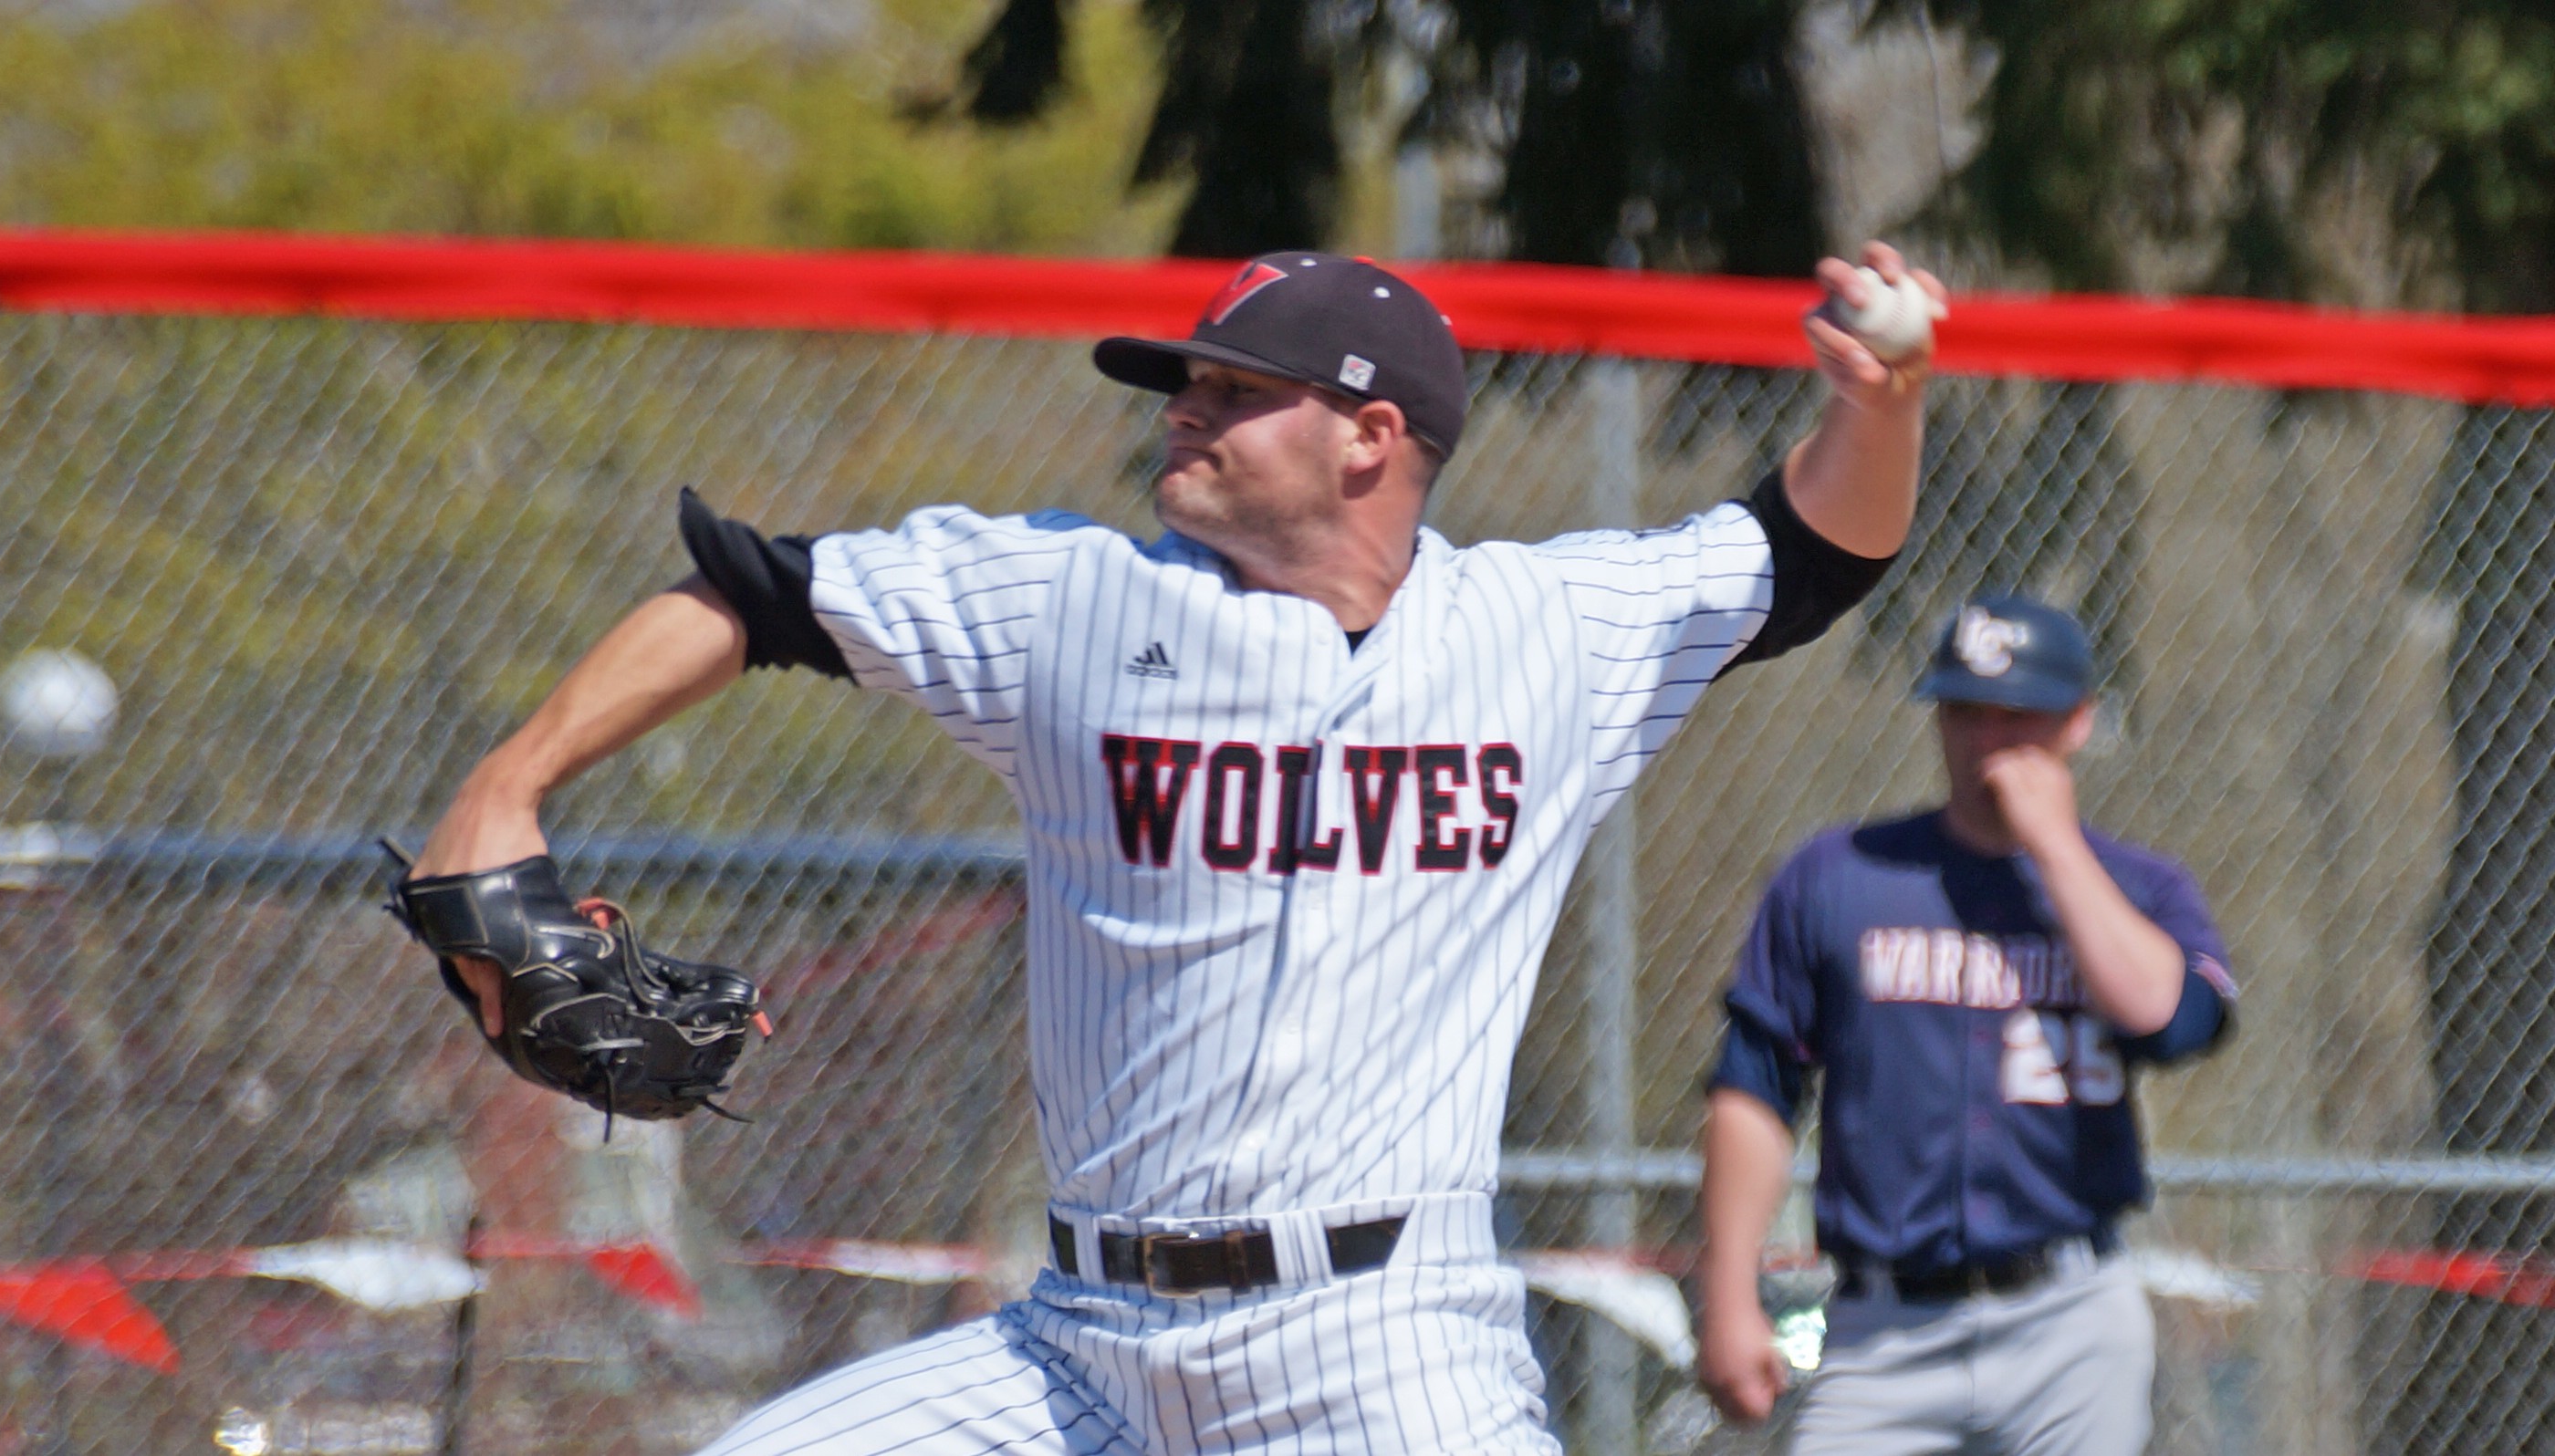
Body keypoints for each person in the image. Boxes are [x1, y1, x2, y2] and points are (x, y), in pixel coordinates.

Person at [404, 243, 1945, 1453]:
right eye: (1188, 381)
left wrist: (1877, 407)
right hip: (1078, 1349)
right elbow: (753, 593)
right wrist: (511, 778)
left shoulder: (1544, 633)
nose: (1185, 409)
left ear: (1371, 437)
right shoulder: (1069, 604)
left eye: (1234, 388)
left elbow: (1808, 553)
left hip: (1382, 1347)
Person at [1686, 593, 2242, 1455]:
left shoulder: (2139, 889)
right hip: (1882, 1329)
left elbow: (2171, 1023)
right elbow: (1755, 1088)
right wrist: (1727, 1296)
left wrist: (2055, 848)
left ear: (2079, 722)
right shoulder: (1841, 877)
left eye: (2019, 717)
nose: (1990, 741)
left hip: (2069, 1319)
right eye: (1966, 713)